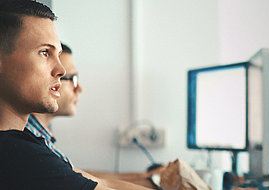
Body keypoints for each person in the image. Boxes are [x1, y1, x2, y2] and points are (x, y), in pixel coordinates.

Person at [0, 0, 152, 189]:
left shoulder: (26, 145)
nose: (61, 70)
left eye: (58, 54)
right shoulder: (18, 155)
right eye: (44, 52)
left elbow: (98, 182)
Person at [26, 42, 162, 188]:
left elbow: (75, 174)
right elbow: (89, 183)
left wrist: (145, 177)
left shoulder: (40, 133)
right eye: (71, 78)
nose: (79, 88)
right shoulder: (27, 141)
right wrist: (156, 182)